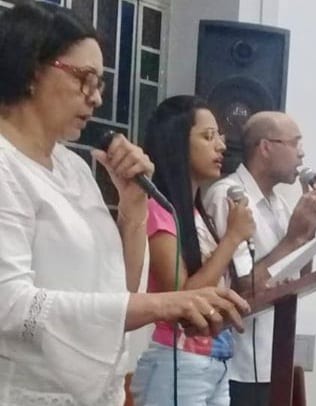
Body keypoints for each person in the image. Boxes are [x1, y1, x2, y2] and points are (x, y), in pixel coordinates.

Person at [0, 4, 249, 405]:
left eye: (99, 83)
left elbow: (119, 289)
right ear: (31, 70)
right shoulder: (5, 166)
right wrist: (164, 303)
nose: (97, 97)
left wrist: (133, 210)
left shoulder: (73, 168)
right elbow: (10, 307)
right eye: (85, 79)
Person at [203, 111, 316, 406]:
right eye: (295, 143)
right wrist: (293, 239)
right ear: (265, 147)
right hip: (237, 366)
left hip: (274, 361)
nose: (302, 153)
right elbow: (244, 289)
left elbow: (300, 278)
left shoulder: (280, 205)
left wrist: (309, 228)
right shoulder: (228, 197)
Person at [129, 95, 255, 406]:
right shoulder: (158, 211)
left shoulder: (197, 214)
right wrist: (232, 238)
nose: (221, 146)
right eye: (208, 137)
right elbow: (181, 298)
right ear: (177, 144)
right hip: (178, 360)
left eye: (220, 136)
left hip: (216, 358)